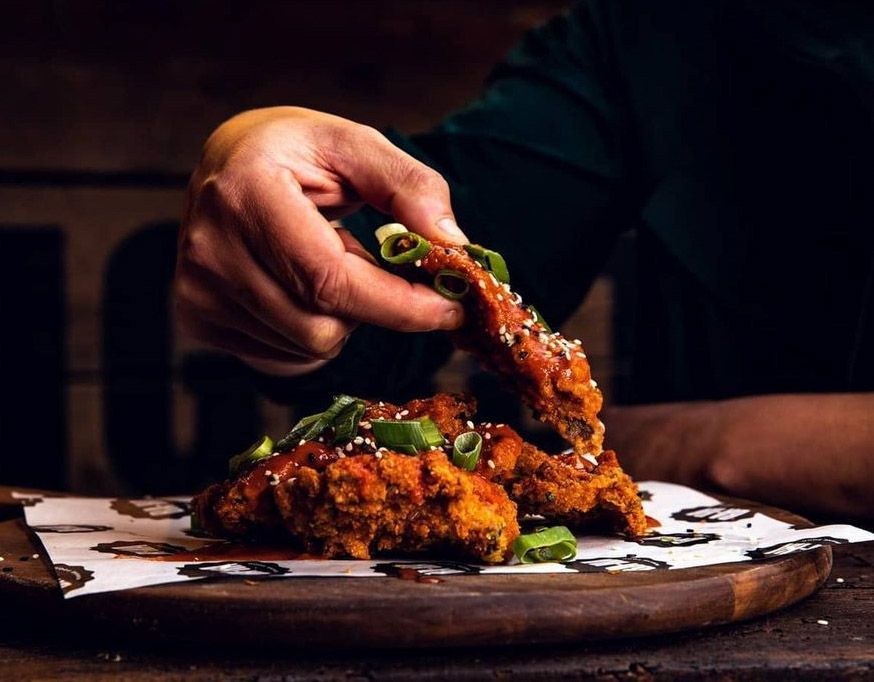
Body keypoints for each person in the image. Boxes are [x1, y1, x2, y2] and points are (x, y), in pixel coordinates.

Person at [174, 1, 874, 519]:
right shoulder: (658, 36)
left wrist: (677, 442)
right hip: (676, 617)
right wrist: (254, 163)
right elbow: (389, 286)